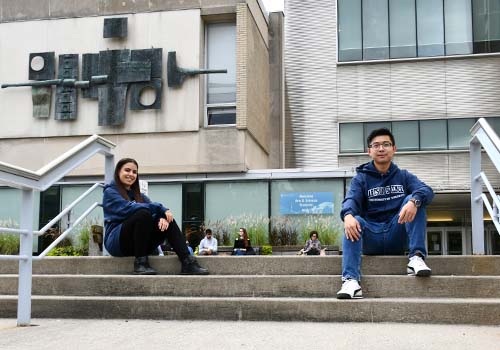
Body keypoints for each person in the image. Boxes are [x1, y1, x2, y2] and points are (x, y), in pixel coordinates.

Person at [337, 128, 434, 299]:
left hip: (396, 232)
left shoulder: (403, 176)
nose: (381, 148)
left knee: (415, 199)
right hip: (371, 236)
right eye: (376, 145)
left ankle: (416, 258)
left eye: (386, 144)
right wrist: (348, 215)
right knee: (354, 219)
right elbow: (350, 200)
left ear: (394, 149)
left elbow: (426, 190)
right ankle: (351, 281)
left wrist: (414, 201)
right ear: (369, 151)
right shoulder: (361, 179)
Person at [103, 158, 209, 275]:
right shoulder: (110, 192)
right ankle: (141, 263)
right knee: (142, 213)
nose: (131, 174)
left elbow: (152, 213)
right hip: (117, 243)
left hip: (140, 244)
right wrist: (160, 208)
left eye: (134, 172)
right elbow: (129, 208)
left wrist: (161, 218)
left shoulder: (140, 196)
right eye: (127, 170)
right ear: (118, 172)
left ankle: (187, 262)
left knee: (167, 219)